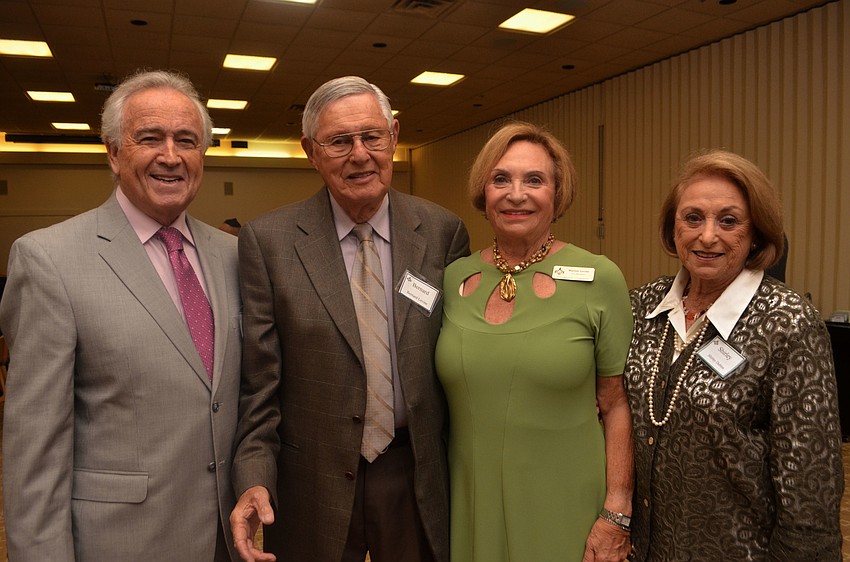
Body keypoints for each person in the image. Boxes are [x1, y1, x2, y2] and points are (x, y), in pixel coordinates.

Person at [0, 70, 241, 561]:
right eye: (149, 138)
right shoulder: (50, 259)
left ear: (203, 154)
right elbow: (35, 452)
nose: (170, 156)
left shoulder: (236, 257)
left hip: (224, 539)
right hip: (118, 542)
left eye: (187, 141)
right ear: (113, 152)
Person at [229, 76, 470, 562]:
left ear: (394, 137)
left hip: (415, 472)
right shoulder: (268, 242)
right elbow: (259, 385)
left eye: (371, 137)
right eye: (340, 141)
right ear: (310, 151)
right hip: (312, 480)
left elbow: (464, 359)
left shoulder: (443, 232)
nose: (360, 154)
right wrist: (254, 477)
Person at [625, 150, 843, 561]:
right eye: (693, 218)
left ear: (756, 232)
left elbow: (810, 483)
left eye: (728, 220)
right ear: (673, 229)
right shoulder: (642, 306)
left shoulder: (789, 323)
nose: (708, 237)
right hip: (642, 549)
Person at [435, 121, 635, 562]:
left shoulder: (600, 278)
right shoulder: (453, 278)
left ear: (557, 194)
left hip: (565, 500)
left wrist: (617, 510)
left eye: (535, 180)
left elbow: (616, 402)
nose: (516, 193)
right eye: (500, 178)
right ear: (483, 192)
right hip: (470, 498)